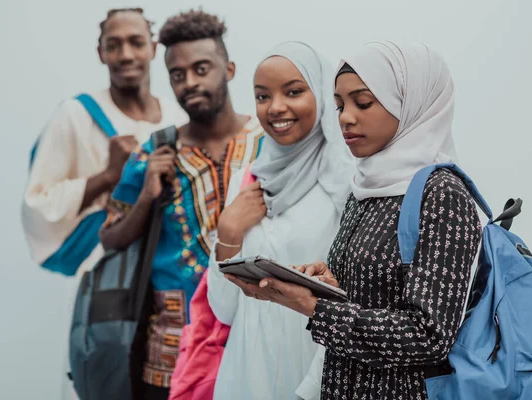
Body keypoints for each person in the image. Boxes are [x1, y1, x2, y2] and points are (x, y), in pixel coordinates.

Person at [225, 41, 483, 400]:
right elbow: (372, 298)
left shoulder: (440, 195)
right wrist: (327, 284)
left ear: (409, 104)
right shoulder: (364, 190)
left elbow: (428, 336)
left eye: (363, 103)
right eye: (339, 105)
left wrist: (312, 306)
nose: (345, 116)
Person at [20, 8, 188, 399]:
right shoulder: (75, 116)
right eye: (114, 45)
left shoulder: (178, 115)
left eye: (135, 42)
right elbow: (37, 206)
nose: (126, 54)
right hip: (105, 283)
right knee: (105, 379)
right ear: (100, 53)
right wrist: (109, 176)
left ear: (153, 48)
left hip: (167, 282)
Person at [99, 10, 264, 400]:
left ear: (230, 69)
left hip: (254, 342)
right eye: (177, 74)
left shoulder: (267, 144)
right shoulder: (154, 152)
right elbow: (109, 239)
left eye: (201, 68)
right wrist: (146, 197)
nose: (189, 82)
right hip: (171, 355)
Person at [207, 41, 354, 400]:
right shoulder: (249, 180)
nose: (275, 108)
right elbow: (224, 310)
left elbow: (356, 302)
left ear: (321, 93)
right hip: (246, 371)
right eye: (262, 96)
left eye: (294, 92)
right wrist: (228, 231)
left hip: (315, 368)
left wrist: (310, 389)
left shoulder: (347, 180)